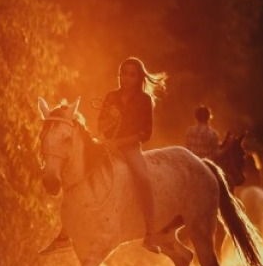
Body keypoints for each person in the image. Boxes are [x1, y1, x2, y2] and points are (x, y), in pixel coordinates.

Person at [39, 57, 168, 255]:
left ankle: (151, 232)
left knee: (143, 178)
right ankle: (65, 233)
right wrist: (110, 121)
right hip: (107, 145)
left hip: (130, 148)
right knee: (77, 175)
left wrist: (119, 142)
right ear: (119, 76)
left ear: (139, 78)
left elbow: (145, 133)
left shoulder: (144, 100)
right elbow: (101, 125)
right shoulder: (111, 96)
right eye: (124, 74)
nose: (127, 78)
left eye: (132, 75)